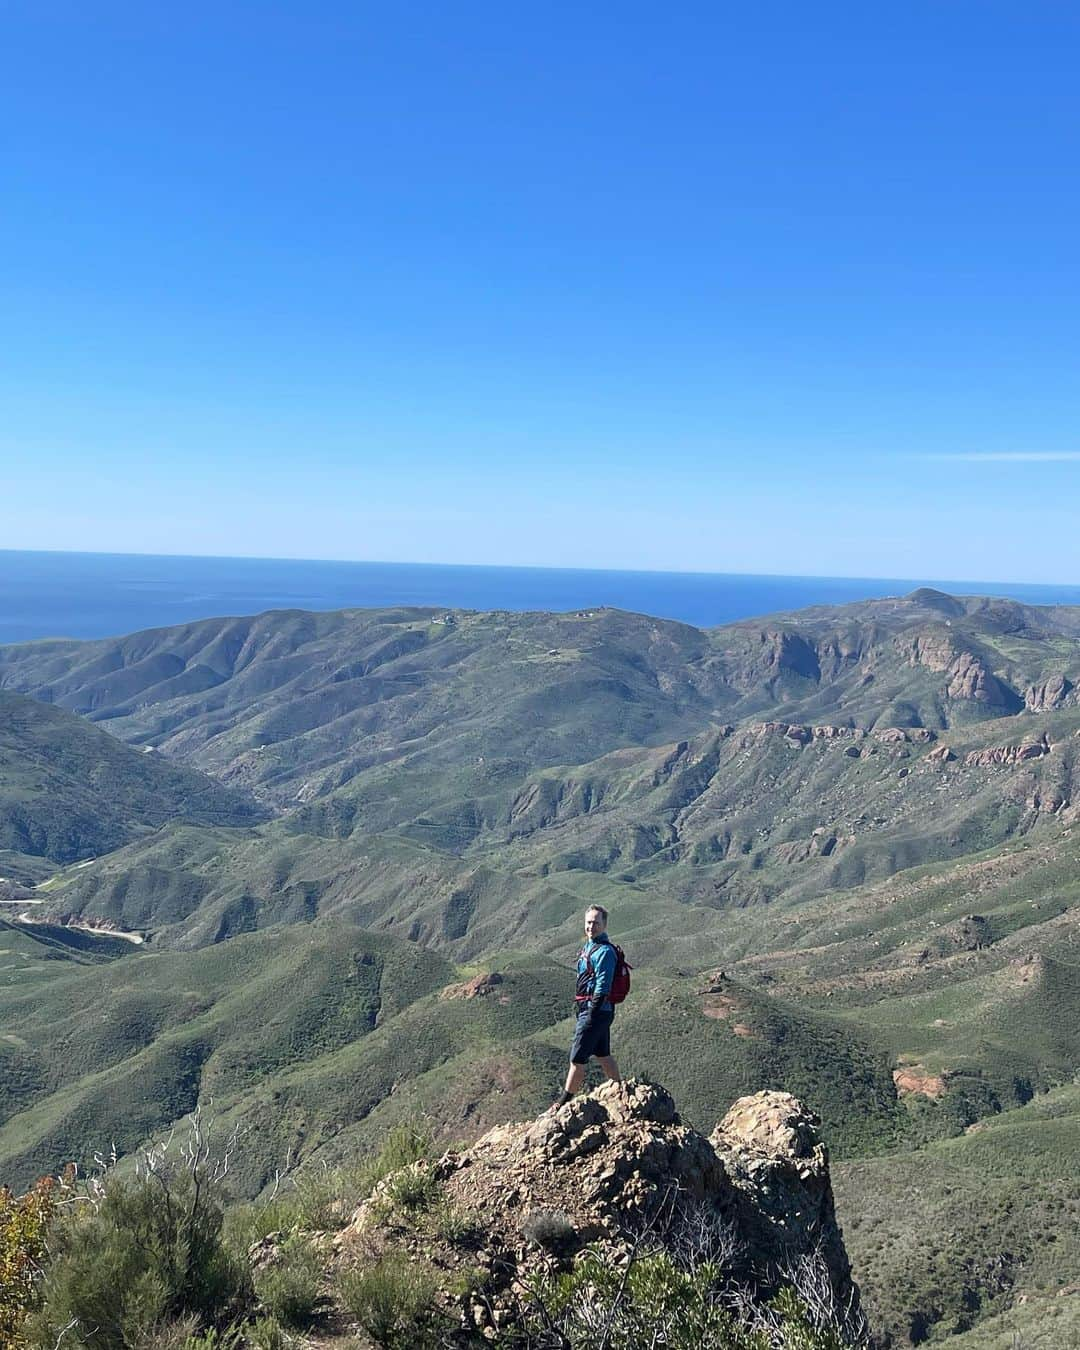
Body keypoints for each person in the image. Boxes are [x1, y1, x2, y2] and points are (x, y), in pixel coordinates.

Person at [551, 904, 621, 1110]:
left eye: (596, 923)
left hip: (596, 1011)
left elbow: (603, 984)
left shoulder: (605, 952)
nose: (591, 926)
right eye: (589, 922)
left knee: (577, 1059)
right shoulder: (590, 947)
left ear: (604, 925)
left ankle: (563, 1103)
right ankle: (621, 1088)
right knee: (602, 1053)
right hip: (594, 1010)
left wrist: (592, 1013)